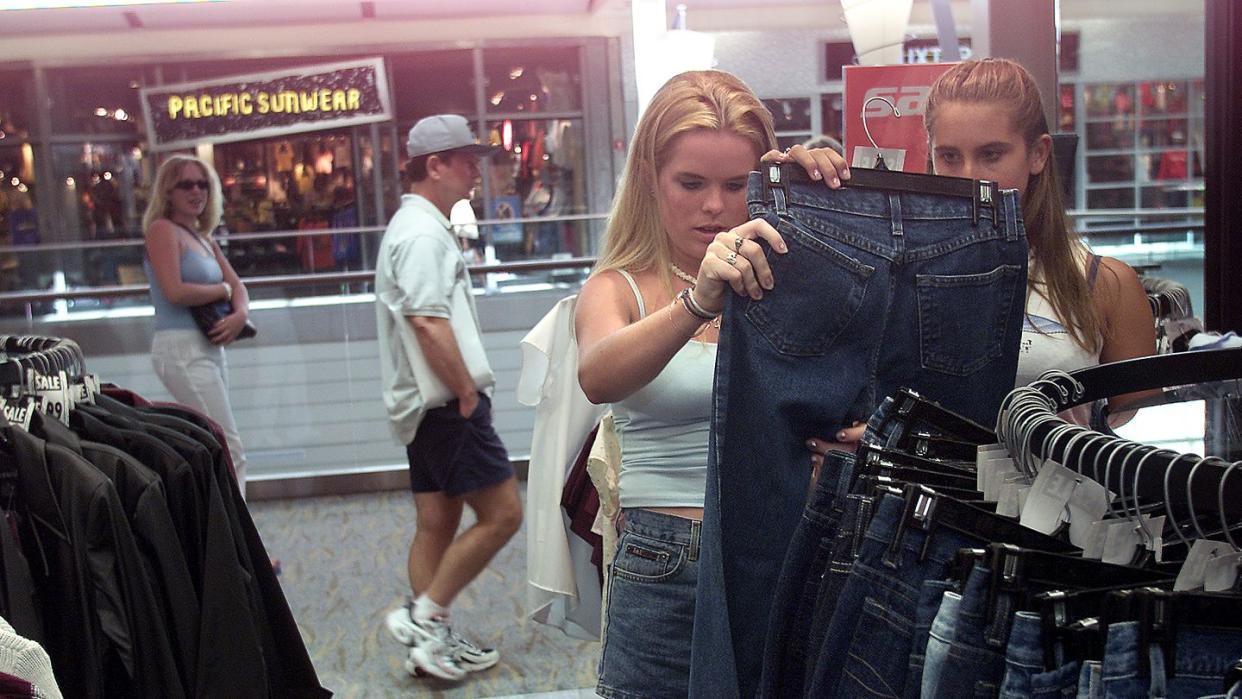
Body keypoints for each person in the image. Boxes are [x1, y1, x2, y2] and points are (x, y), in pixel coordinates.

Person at [574, 69, 833, 698]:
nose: (714, 206)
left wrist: (819, 203)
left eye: (736, 184)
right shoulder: (620, 287)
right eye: (690, 183)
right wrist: (697, 302)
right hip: (667, 558)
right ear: (651, 180)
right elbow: (597, 374)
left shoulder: (788, 278)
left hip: (785, 545)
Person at [800, 57, 1156, 468]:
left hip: (1059, 522)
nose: (971, 179)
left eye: (991, 155)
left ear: (1038, 154)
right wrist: (801, 197)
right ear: (931, 157)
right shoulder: (891, 279)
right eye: (950, 156)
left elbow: (1136, 445)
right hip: (923, 520)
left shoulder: (1104, 285)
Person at [376, 114, 523, 681]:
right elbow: (426, 320)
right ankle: (423, 618)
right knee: (503, 514)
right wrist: (465, 392)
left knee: (436, 520)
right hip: (444, 402)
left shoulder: (416, 227)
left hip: (426, 404)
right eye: (464, 162)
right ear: (433, 166)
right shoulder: (419, 233)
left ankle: (429, 640)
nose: (473, 173)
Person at [142, 155, 251, 497]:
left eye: (202, 183)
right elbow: (174, 291)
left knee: (215, 445)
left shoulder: (204, 238)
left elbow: (239, 286)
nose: (196, 191)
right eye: (186, 184)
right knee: (228, 447)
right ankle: (238, 547)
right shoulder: (162, 230)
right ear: (168, 192)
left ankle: (224, 539)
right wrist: (222, 291)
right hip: (181, 348)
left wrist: (240, 315)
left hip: (210, 347)